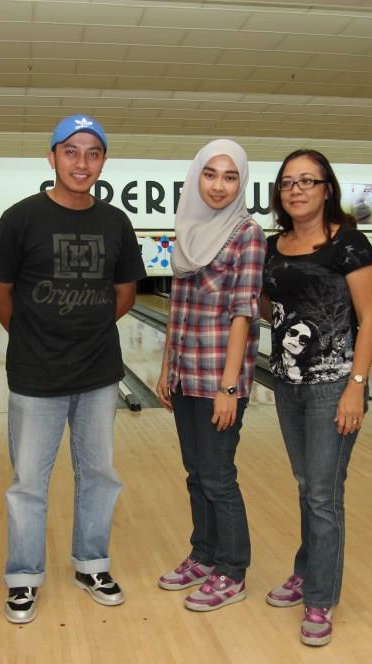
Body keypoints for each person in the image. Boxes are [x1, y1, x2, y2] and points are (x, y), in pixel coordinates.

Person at [0, 114, 146, 624]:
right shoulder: (20, 218)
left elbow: (125, 293)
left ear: (103, 162)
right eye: (71, 151)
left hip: (98, 372)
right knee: (28, 481)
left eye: (92, 153)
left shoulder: (116, 222)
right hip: (35, 374)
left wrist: (85, 328)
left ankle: (92, 564)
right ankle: (24, 576)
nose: (82, 162)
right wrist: (33, 334)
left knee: (98, 473)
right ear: (52, 157)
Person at [261, 149, 372, 647]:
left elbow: (370, 319)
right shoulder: (272, 245)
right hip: (287, 381)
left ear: (327, 188)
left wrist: (356, 386)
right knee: (307, 483)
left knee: (324, 494)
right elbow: (270, 307)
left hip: (334, 386)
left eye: (307, 181)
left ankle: (320, 598)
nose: (297, 190)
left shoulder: (348, 243)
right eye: (288, 182)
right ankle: (307, 569)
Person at [154, 139, 265, 612]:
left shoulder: (247, 234)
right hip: (185, 374)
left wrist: (229, 387)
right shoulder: (188, 227)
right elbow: (177, 305)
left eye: (230, 176)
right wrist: (166, 368)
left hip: (220, 377)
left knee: (218, 476)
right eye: (211, 174)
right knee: (197, 473)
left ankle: (232, 571)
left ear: (242, 182)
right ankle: (203, 555)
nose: (219, 185)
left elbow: (243, 313)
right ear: (196, 176)